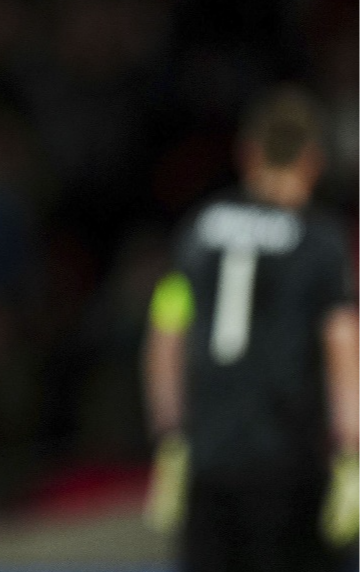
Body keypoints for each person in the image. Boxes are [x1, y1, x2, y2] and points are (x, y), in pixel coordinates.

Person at [143, 86, 360, 571]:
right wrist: (351, 452)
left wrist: (170, 435)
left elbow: (166, 330)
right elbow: (342, 344)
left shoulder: (199, 228)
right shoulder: (320, 243)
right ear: (314, 160)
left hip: (210, 462)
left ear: (248, 153)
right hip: (290, 464)